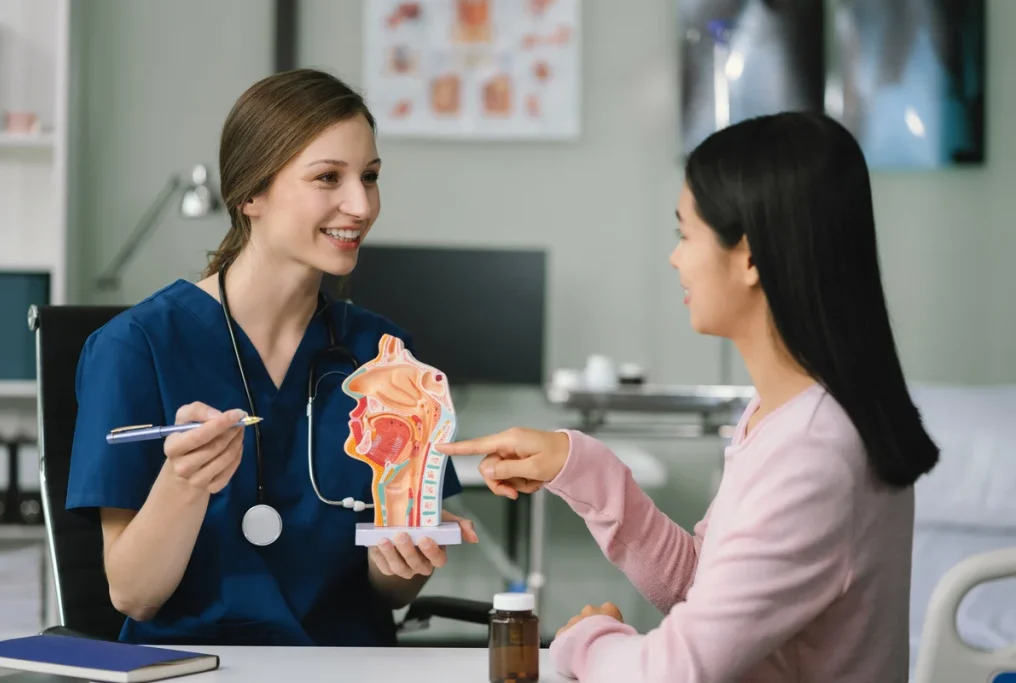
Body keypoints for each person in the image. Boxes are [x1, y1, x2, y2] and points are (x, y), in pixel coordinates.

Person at [438, 111, 939, 682]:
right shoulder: (781, 416)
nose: (676, 258)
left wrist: (581, 641)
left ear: (749, 256)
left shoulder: (816, 452)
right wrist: (578, 465)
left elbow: (676, 671)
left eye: (685, 234)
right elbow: (701, 586)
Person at [66, 68, 476, 647]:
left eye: (370, 177)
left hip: (347, 670)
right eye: (328, 177)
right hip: (197, 668)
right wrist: (185, 482)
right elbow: (134, 595)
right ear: (250, 193)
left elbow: (389, 596)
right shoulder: (134, 348)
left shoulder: (388, 361)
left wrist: (402, 560)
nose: (359, 205)